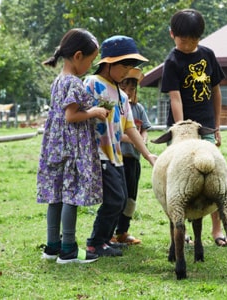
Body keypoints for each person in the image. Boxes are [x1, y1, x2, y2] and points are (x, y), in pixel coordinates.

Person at [37, 28, 107, 264]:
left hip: (55, 147)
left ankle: (52, 246)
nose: (91, 65)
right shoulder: (74, 84)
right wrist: (94, 112)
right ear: (78, 56)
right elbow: (71, 116)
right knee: (70, 196)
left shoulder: (58, 81)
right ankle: (68, 250)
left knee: (55, 196)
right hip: (72, 148)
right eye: (90, 60)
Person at [160, 8, 227, 247]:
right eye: (182, 40)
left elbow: (216, 91)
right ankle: (179, 231)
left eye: (193, 40)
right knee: (176, 180)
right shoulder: (171, 62)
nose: (188, 45)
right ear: (172, 35)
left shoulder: (208, 55)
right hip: (182, 131)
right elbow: (175, 97)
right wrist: (182, 131)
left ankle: (217, 229)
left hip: (207, 127)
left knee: (213, 177)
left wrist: (217, 126)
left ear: (200, 37)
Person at [84, 35, 158, 257]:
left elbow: (130, 128)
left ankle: (105, 240)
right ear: (108, 63)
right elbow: (78, 114)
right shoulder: (92, 84)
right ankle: (95, 242)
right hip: (98, 153)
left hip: (116, 155)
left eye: (131, 66)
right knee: (114, 198)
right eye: (125, 65)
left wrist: (147, 155)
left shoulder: (122, 95)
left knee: (121, 198)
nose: (128, 71)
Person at [112, 67, 151, 245]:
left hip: (134, 160)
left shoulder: (139, 109)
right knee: (118, 197)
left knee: (131, 198)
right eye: (124, 88)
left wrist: (141, 141)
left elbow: (144, 131)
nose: (128, 93)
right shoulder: (115, 108)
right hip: (118, 159)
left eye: (132, 89)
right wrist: (135, 140)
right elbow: (117, 134)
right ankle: (110, 232)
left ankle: (123, 232)